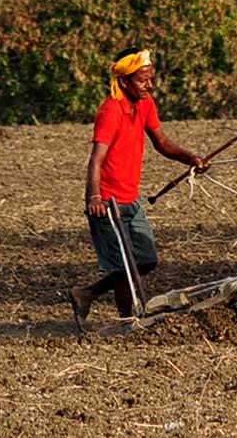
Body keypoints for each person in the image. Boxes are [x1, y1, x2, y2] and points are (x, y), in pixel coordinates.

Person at [63, 47, 206, 325]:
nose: (149, 85)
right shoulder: (111, 111)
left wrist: (189, 158)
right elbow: (95, 160)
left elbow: (162, 143)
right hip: (106, 203)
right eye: (143, 80)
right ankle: (128, 320)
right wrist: (94, 196)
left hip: (130, 199)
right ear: (125, 81)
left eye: (150, 78)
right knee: (123, 267)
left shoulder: (145, 104)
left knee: (146, 260)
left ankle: (86, 293)